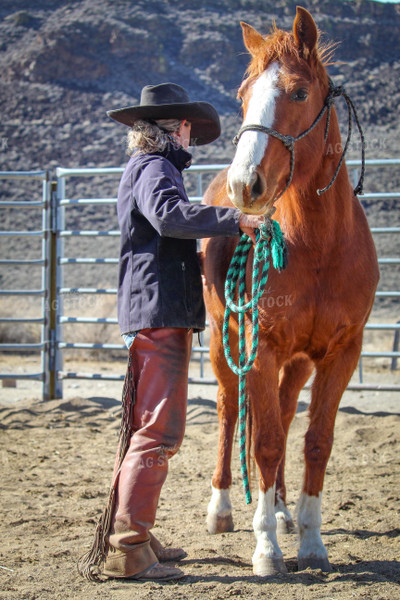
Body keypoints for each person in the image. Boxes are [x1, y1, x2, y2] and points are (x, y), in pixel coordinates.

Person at [78, 82, 265, 583]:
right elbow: (169, 217)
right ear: (170, 128)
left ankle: (132, 531)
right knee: (159, 432)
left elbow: (164, 228)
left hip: (153, 310)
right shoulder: (156, 168)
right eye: (187, 127)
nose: (191, 136)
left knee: (146, 429)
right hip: (160, 314)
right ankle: (129, 546)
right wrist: (236, 220)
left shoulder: (148, 168)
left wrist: (198, 254)